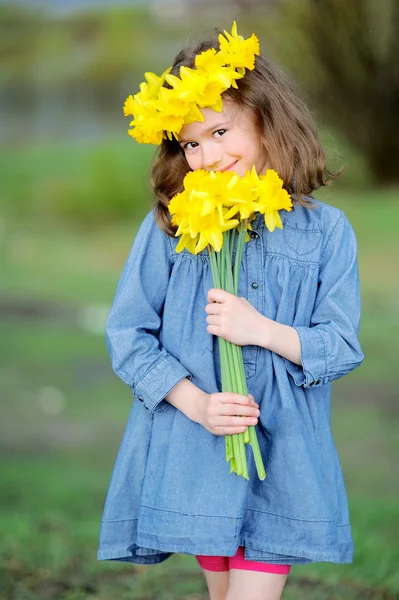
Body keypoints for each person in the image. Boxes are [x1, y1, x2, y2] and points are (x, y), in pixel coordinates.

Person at [97, 22, 364, 600]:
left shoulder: (326, 232)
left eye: (220, 131)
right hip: (200, 460)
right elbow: (128, 332)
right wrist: (195, 403)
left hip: (283, 457)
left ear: (270, 120)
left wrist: (262, 331)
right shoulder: (172, 227)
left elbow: (340, 347)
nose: (207, 156)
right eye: (191, 143)